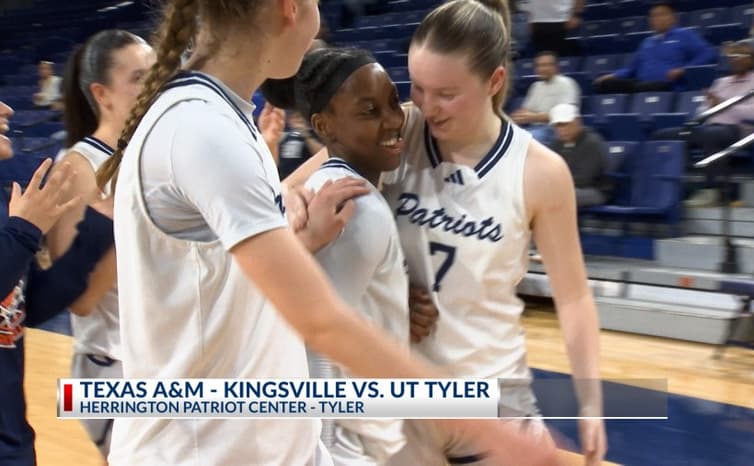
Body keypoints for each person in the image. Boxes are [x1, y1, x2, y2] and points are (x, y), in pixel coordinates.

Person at [94, 1, 559, 465]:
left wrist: (301, 239)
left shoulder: (219, 120)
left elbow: (220, 287)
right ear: (288, 9)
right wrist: (486, 428)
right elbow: (321, 322)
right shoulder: (202, 129)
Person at [287, 1, 606, 465]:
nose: (426, 106)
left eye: (446, 93)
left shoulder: (540, 172)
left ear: (494, 81)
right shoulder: (398, 130)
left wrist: (592, 403)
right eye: (417, 87)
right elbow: (287, 195)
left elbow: (574, 297)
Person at [262, 45, 410, 465]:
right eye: (369, 111)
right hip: (343, 444)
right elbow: (319, 346)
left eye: (393, 103)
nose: (394, 120)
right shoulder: (354, 207)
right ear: (324, 126)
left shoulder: (332, 189)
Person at [47, 29, 155, 460]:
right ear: (102, 93)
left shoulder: (147, 156)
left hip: (161, 359)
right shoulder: (77, 168)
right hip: (111, 367)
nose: (154, 88)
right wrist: (120, 226)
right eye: (139, 78)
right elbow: (82, 300)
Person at [0, 100, 114, 466]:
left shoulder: (5, 201)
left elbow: (26, 307)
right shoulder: (17, 219)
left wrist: (98, 229)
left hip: (14, 437)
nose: (7, 109)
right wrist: (24, 232)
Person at [651, 42, 754, 207]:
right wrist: (709, 106)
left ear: (752, 60)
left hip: (740, 130)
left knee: (711, 135)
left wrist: (724, 104)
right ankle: (675, 187)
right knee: (662, 135)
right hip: (710, 127)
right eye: (732, 57)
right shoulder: (721, 82)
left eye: (740, 56)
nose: (734, 60)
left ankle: (714, 190)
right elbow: (701, 111)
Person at [594, 1, 716, 94]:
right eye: (653, 16)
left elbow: (708, 53)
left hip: (667, 86)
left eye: (662, 14)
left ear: (673, 17)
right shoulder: (646, 42)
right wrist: (612, 76)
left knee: (645, 87)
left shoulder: (684, 35)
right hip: (641, 85)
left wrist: (684, 69)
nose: (657, 19)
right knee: (604, 84)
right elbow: (631, 69)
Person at [510, 51, 580, 145]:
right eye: (539, 66)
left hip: (556, 129)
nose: (543, 69)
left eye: (547, 65)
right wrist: (516, 118)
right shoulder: (535, 86)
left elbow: (566, 116)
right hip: (534, 128)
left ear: (556, 67)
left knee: (525, 140)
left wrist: (535, 117)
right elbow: (526, 111)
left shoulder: (566, 84)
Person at [549, 104, 611, 208]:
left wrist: (555, 185)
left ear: (578, 121)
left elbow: (584, 179)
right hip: (566, 188)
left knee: (558, 195)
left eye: (565, 124)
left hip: (594, 190)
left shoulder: (592, 142)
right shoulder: (556, 144)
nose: (562, 129)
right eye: (558, 125)